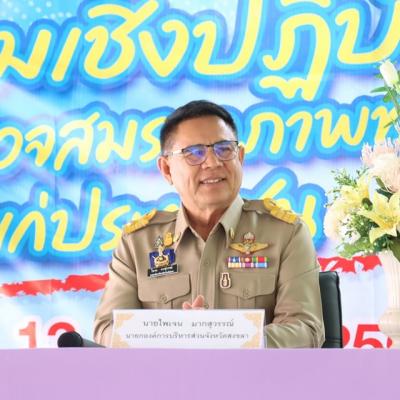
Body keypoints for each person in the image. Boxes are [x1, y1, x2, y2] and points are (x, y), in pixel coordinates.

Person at [93, 100, 325, 348]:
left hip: (253, 373)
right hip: (167, 373)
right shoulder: (138, 244)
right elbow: (107, 328)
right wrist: (180, 335)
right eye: (194, 153)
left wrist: (225, 337)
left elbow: (305, 330)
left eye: (224, 149)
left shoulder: (285, 233)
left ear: (240, 157)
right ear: (167, 169)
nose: (213, 162)